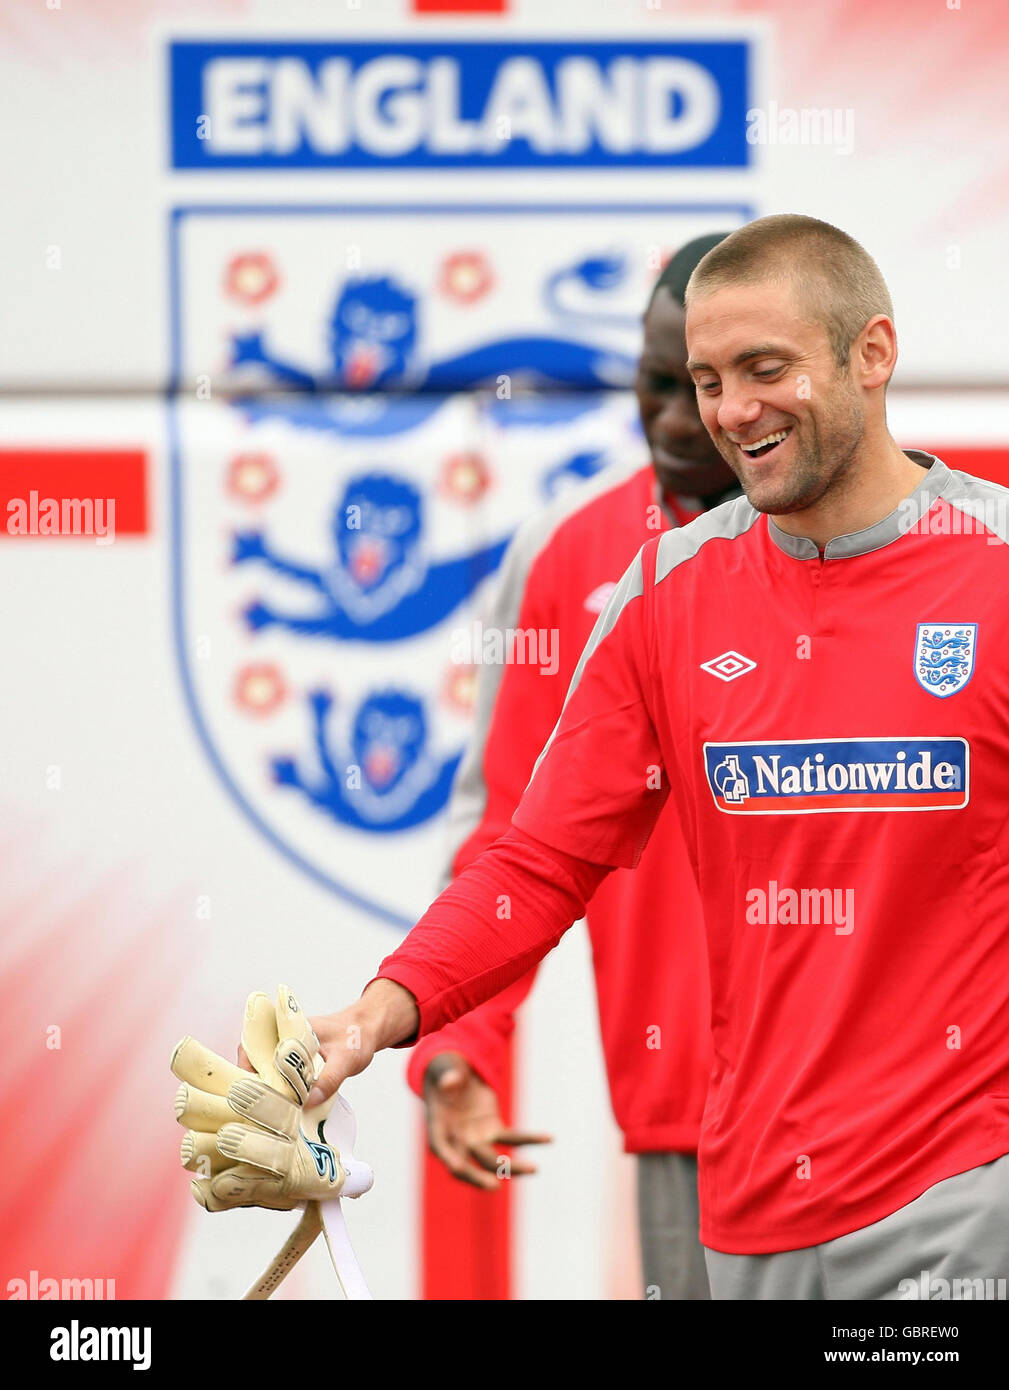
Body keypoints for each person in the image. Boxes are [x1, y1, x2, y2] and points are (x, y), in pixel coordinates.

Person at [296, 214, 1009, 1299]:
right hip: (753, 1210)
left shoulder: (992, 569)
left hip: (961, 1202)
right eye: (705, 377)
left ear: (872, 355)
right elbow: (536, 860)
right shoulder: (665, 591)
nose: (727, 413)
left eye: (765, 370)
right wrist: (381, 1011)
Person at [411, 234, 738, 1300]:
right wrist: (460, 1043)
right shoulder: (574, 552)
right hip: (691, 1123)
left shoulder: (917, 546)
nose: (681, 418)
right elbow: (513, 835)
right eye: (661, 382)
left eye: (714, 384)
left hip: (922, 1120)